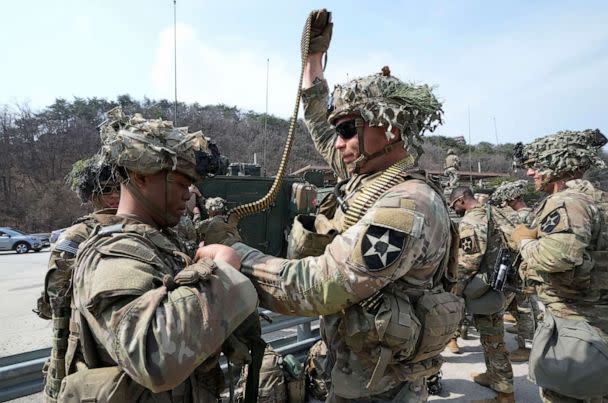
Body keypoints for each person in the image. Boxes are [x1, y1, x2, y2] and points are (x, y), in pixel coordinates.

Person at [200, 9, 463, 402]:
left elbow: (323, 286)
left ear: (388, 128)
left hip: (381, 386)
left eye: (348, 130)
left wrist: (238, 256)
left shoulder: (407, 205)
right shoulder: (369, 174)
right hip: (352, 367)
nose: (339, 143)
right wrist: (312, 64)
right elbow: (322, 129)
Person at [58, 107, 259, 402]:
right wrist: (223, 272)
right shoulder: (113, 253)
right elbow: (151, 355)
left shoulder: (160, 240)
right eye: (179, 183)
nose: (187, 194)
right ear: (140, 176)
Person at [512, 129, 608, 403]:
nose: (530, 173)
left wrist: (523, 242)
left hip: (576, 324)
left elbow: (556, 257)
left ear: (559, 164)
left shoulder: (567, 201)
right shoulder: (598, 199)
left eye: (536, 165)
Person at [36, 155, 121, 402]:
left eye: (119, 189)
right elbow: (56, 293)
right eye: (106, 191)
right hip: (82, 331)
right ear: (91, 195)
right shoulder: (78, 234)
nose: (114, 196)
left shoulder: (141, 226)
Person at [450, 186, 515, 403]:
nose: (455, 210)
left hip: (485, 289)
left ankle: (505, 393)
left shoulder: (472, 220)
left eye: (454, 205)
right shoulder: (494, 212)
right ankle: (493, 376)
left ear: (461, 200)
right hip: (502, 283)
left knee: (493, 339)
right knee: (492, 335)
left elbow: (469, 262)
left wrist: (454, 290)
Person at [490, 180, 538, 362]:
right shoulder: (529, 213)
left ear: (513, 198)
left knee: (523, 305)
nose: (505, 204)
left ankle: (525, 347)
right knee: (529, 303)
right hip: (526, 267)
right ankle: (530, 334)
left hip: (521, 268)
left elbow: (516, 241)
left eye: (507, 200)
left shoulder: (521, 216)